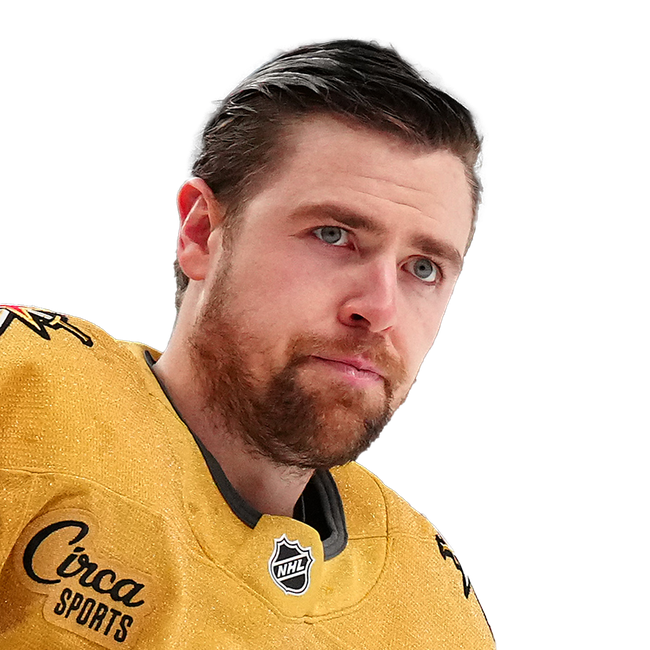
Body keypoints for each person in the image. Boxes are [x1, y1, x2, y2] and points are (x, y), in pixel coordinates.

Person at [0, 40, 497, 648]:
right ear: (201, 233)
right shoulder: (20, 393)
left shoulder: (432, 607)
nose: (379, 310)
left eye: (423, 268)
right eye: (333, 234)